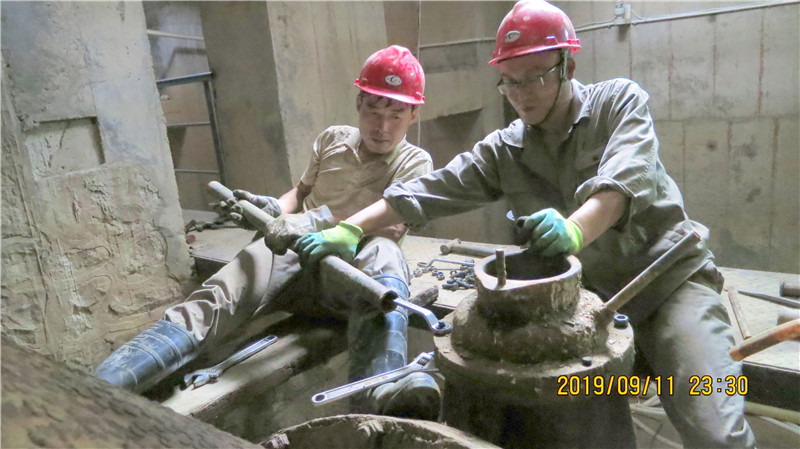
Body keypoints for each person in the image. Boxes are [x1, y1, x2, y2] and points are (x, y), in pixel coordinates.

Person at [292, 2, 756, 447]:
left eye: (534, 77)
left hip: (667, 287)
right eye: (510, 82)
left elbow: (620, 185)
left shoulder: (619, 103)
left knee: (710, 423)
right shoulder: (505, 149)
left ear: (568, 66)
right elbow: (429, 190)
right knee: (572, 421)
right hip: (586, 308)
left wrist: (574, 229)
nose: (521, 93)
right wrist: (351, 228)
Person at [94, 45, 442, 420]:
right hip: (294, 263)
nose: (383, 127)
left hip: (349, 285)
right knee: (226, 288)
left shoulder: (415, 162)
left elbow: (394, 223)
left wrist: (319, 221)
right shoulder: (332, 140)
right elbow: (300, 193)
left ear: (413, 114)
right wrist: (273, 208)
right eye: (374, 111)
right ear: (359, 102)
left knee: (384, 254)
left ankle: (378, 389)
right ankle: (107, 382)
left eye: (396, 115)